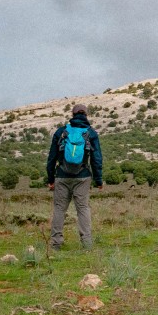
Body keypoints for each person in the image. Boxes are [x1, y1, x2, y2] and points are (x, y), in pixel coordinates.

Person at [46, 103, 103, 250]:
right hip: (83, 177)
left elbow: (51, 158)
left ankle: (56, 244)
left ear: (73, 114)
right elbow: (96, 159)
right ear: (86, 115)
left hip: (62, 176)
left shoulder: (61, 132)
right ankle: (87, 244)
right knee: (83, 209)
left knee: (59, 209)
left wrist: (50, 179)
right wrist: (98, 180)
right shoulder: (91, 133)